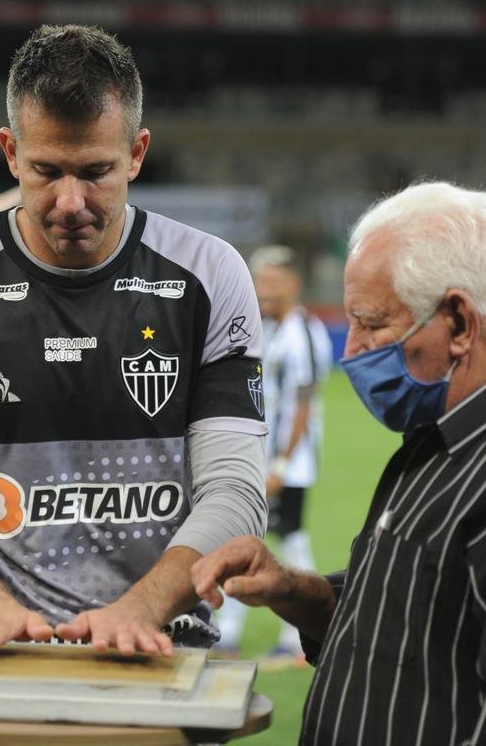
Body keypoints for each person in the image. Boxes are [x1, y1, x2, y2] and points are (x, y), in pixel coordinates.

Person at [193, 181, 486, 744]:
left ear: (458, 322)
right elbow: (407, 627)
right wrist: (293, 590)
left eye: (371, 322)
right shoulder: (439, 442)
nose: (351, 349)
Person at [0, 24, 268, 659]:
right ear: (10, 153)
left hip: (157, 639)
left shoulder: (210, 273)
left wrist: (141, 608)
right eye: (45, 171)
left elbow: (234, 490)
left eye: (96, 172)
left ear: (138, 153)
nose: (70, 201)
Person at [215, 245, 331, 660]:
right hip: (261, 458)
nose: (263, 288)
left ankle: (296, 638)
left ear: (293, 283)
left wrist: (281, 463)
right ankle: (228, 633)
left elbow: (304, 403)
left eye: (271, 281)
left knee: (289, 542)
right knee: (246, 536)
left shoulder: (305, 334)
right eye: (259, 280)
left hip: (289, 464)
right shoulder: (267, 327)